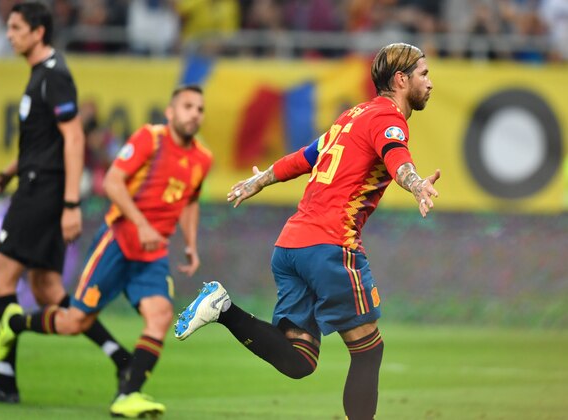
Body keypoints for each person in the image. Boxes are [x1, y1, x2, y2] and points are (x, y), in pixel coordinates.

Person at [174, 42, 440, 420]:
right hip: (331, 248)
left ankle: (224, 309)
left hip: (291, 245)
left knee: (299, 360)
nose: (430, 83)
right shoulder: (389, 119)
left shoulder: (352, 115)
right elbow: (397, 158)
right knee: (369, 350)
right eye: (424, 74)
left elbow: (307, 156)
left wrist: (262, 179)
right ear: (401, 79)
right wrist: (415, 185)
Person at [0, 84, 212, 417]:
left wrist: (191, 244)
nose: (194, 114)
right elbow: (112, 182)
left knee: (161, 316)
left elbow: (190, 201)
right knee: (74, 322)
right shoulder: (149, 139)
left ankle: (128, 395)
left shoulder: (202, 158)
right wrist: (141, 224)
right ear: (171, 112)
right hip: (118, 242)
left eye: (200, 109)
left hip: (152, 254)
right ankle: (14, 324)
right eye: (188, 106)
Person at [0, 1, 130, 403]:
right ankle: (120, 356)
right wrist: (4, 174)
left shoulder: (54, 76)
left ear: (38, 32)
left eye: (16, 27)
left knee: (0, 279)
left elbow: (72, 139)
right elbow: (44, 144)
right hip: (39, 186)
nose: (9, 34)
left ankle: (5, 382)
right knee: (49, 288)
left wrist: (71, 205)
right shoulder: (41, 76)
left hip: (42, 193)